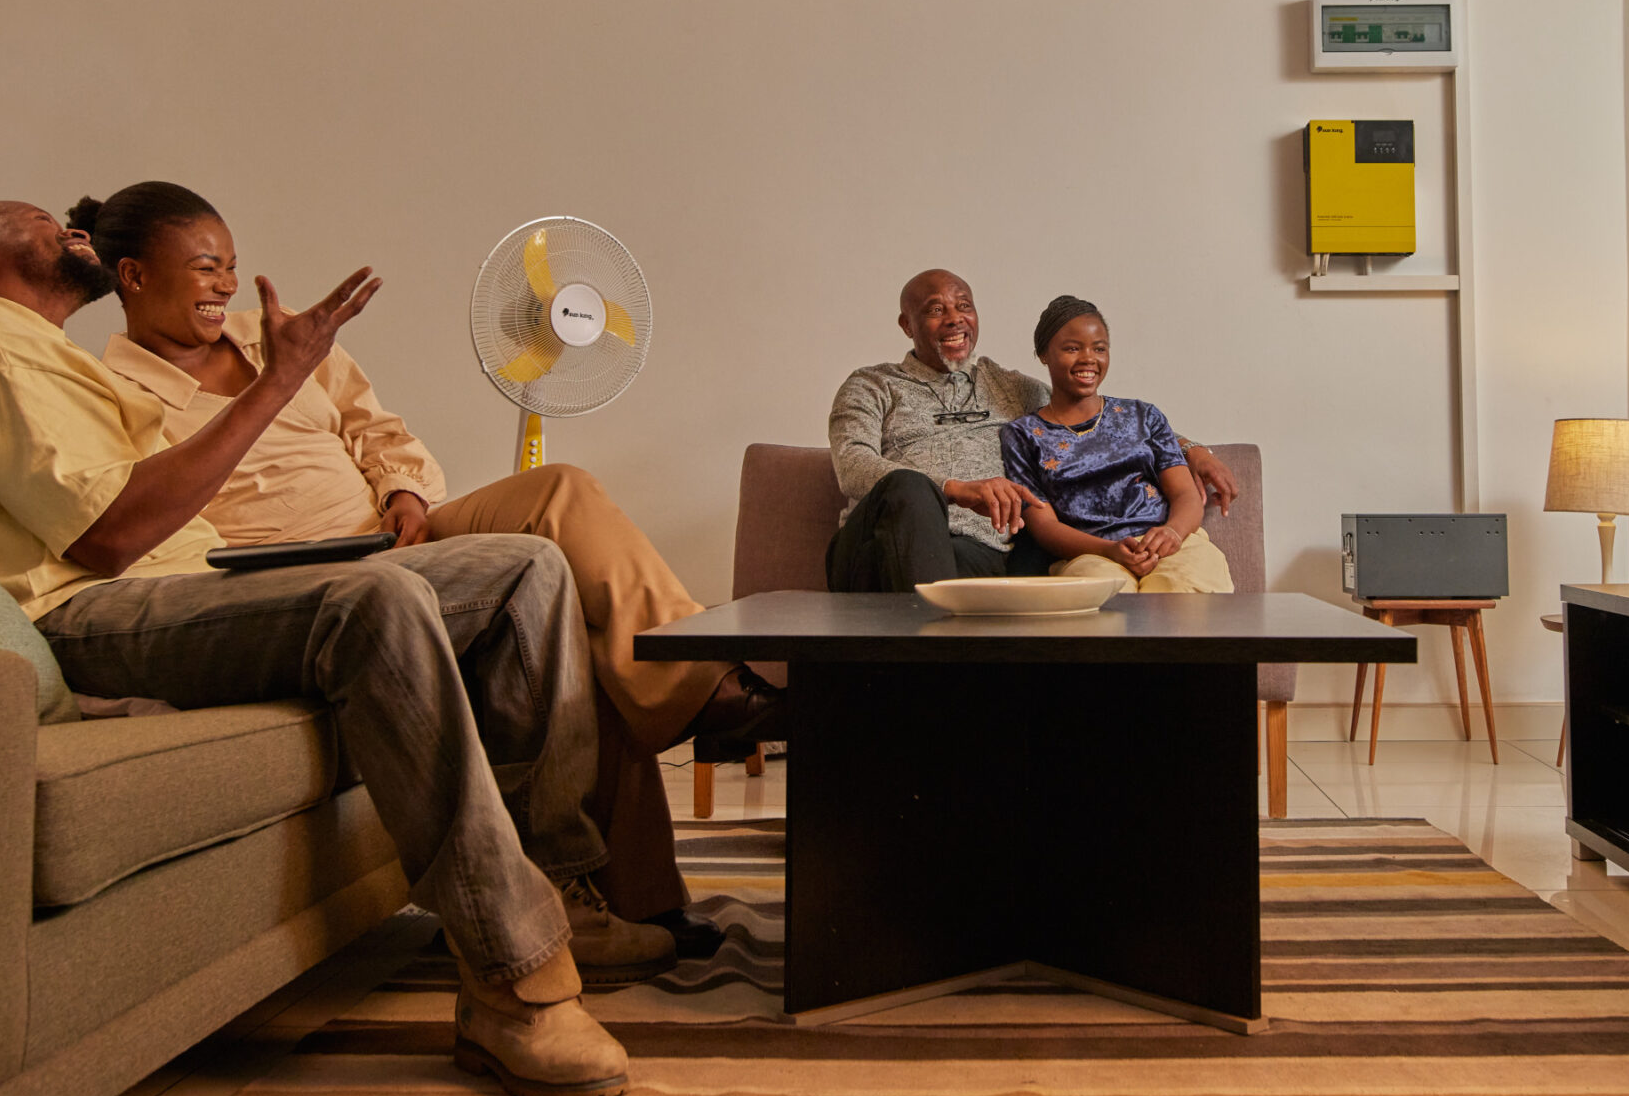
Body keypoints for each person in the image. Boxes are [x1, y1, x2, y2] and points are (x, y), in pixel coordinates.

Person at [0, 200, 662, 1096]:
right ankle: (511, 976)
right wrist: (275, 384)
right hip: (95, 616)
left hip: (190, 589)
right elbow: (108, 535)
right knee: (378, 599)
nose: (73, 227)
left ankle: (560, 880)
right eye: (47, 223)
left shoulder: (45, 354)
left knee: (525, 566)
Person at [70, 181, 780, 955]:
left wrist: (403, 492)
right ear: (134, 277)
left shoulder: (283, 339)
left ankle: (698, 681)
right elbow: (155, 523)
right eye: (206, 268)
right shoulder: (106, 390)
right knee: (567, 621)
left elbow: (381, 433)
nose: (227, 285)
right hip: (295, 581)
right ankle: (649, 890)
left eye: (232, 266)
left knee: (561, 490)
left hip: (396, 534)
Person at [825, 268, 1236, 590]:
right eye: (935, 310)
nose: (954, 320)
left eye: (963, 306)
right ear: (906, 324)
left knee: (1022, 558)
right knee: (910, 487)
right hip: (878, 548)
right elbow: (852, 464)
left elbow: (1091, 413)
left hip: (974, 552)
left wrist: (1192, 448)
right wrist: (953, 489)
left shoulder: (1008, 386)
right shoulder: (872, 384)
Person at [999, 296, 1235, 593]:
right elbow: (1044, 527)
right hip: (1090, 554)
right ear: (1044, 353)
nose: (1089, 358)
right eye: (1073, 348)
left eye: (1099, 348)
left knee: (1182, 593)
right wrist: (1108, 550)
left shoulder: (1144, 416)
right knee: (1109, 606)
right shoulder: (1022, 435)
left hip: (1170, 542)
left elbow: (1186, 494)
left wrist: (1173, 532)